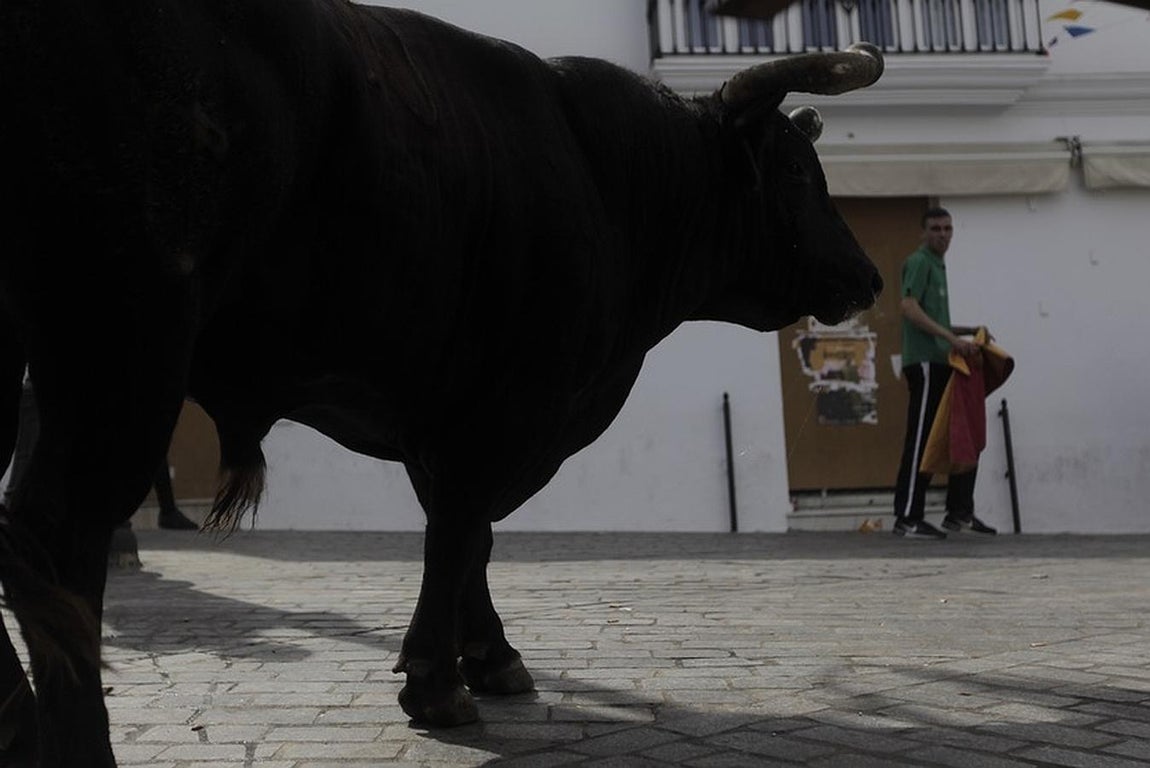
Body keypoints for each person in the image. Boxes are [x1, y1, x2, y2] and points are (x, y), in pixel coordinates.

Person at [893, 207, 997, 539]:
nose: (942, 234)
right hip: (924, 363)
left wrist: (968, 331)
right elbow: (909, 308)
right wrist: (953, 339)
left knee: (959, 436)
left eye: (948, 228)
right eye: (936, 228)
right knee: (922, 439)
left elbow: (933, 319)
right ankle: (907, 518)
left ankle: (959, 513)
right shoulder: (920, 262)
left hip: (943, 363)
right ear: (924, 233)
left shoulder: (939, 266)